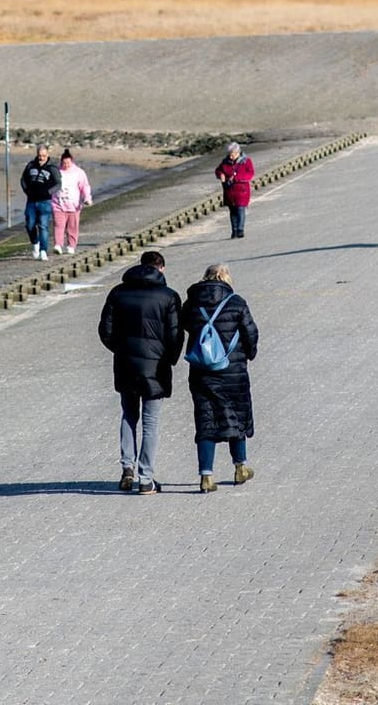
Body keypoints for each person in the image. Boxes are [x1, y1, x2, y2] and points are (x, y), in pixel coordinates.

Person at [98, 250, 182, 494]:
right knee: (150, 422)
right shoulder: (168, 296)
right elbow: (176, 334)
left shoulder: (117, 293)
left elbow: (105, 330)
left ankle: (127, 467)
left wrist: (121, 350)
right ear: (161, 269)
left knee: (128, 415)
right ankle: (146, 478)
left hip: (125, 363)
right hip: (156, 367)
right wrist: (169, 359)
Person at [181, 263, 260, 493]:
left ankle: (206, 475)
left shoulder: (192, 304)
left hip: (202, 371)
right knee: (236, 416)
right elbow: (251, 333)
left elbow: (184, 327)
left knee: (206, 420)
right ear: (226, 278)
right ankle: (240, 467)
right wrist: (249, 354)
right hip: (233, 370)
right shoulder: (236, 302)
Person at [19, 144, 61, 260]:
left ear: (47, 155)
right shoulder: (31, 165)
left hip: (45, 202)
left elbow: (58, 184)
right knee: (30, 225)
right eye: (39, 155)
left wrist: (48, 192)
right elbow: (23, 180)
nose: (41, 158)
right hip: (31, 201)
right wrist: (26, 190)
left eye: (43, 155)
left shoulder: (52, 168)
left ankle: (43, 250)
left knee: (43, 226)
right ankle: (35, 243)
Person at [49, 148, 93, 254]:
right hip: (58, 203)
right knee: (59, 225)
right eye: (64, 163)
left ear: (72, 161)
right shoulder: (56, 171)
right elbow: (50, 184)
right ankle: (58, 245)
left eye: (68, 163)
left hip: (74, 205)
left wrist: (87, 198)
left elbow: (84, 186)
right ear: (61, 162)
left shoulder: (79, 172)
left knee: (72, 227)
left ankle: (71, 245)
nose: (66, 165)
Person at [215, 143, 257, 238]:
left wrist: (236, 178)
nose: (230, 156)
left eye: (232, 154)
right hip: (229, 191)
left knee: (240, 209)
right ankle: (234, 231)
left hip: (242, 190)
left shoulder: (246, 161)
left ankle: (240, 229)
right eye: (229, 154)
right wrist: (220, 175)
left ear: (237, 152)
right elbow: (218, 170)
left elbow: (250, 174)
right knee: (232, 211)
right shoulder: (225, 161)